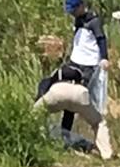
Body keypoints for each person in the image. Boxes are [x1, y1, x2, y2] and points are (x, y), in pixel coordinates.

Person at [34, 31, 112, 159]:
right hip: (79, 93)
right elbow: (70, 109)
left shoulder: (56, 72)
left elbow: (44, 86)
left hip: (56, 91)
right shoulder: (79, 73)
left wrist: (38, 104)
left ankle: (36, 146)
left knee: (33, 118)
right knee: (98, 122)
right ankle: (107, 154)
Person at [60, 0, 108, 125]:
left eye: (74, 10)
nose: (73, 13)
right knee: (69, 97)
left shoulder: (94, 21)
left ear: (81, 6)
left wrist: (104, 58)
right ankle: (66, 130)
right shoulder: (78, 20)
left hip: (89, 65)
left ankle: (95, 126)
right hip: (75, 62)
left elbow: (101, 39)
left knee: (82, 97)